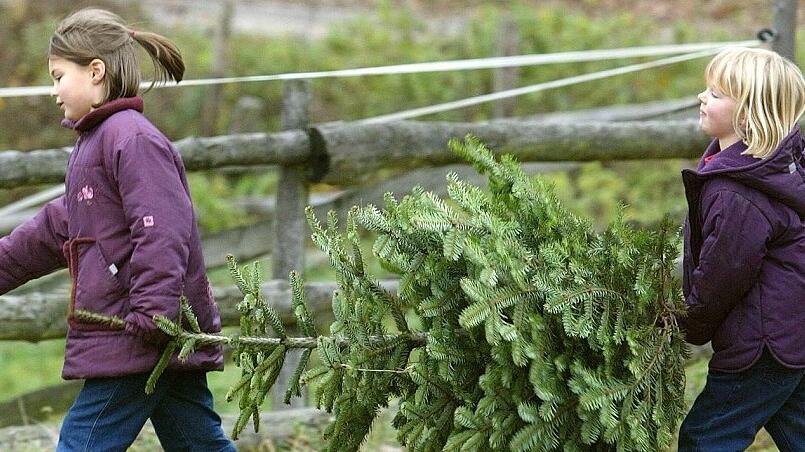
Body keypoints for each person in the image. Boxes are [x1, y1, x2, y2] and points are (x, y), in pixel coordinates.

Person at [0, 8, 236, 451]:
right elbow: (55, 229)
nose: (53, 92)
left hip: (138, 330)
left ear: (95, 71)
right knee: (198, 443)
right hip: (148, 331)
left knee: (82, 444)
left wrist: (153, 313)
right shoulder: (95, 145)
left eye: (57, 76)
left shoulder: (131, 139)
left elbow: (163, 230)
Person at [678, 46, 805, 451]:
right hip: (789, 337)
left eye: (716, 94)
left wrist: (691, 322)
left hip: (762, 344)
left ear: (748, 113)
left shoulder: (738, 191)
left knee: (708, 438)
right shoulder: (765, 169)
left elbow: (725, 271)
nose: (702, 97)